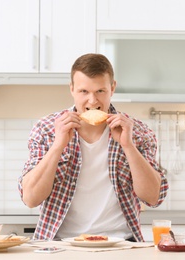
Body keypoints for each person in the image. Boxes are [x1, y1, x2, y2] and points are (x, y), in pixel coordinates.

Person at [18, 53, 168, 242]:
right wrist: (58, 146)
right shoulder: (47, 129)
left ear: (112, 88)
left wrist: (128, 146)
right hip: (60, 244)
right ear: (72, 89)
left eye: (100, 91)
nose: (92, 101)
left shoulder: (137, 131)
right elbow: (30, 198)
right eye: (84, 92)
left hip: (121, 244)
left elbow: (153, 197)